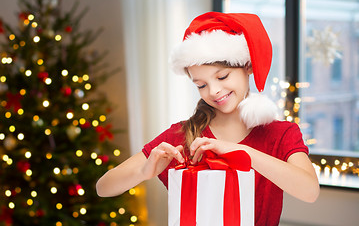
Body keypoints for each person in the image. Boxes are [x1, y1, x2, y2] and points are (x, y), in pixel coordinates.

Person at [96, 12, 320, 225]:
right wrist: (144, 171)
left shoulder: (280, 134)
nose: (213, 91)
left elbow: (310, 191)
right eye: (201, 85)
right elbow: (103, 187)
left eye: (222, 76)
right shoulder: (183, 135)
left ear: (248, 66)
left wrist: (241, 154)